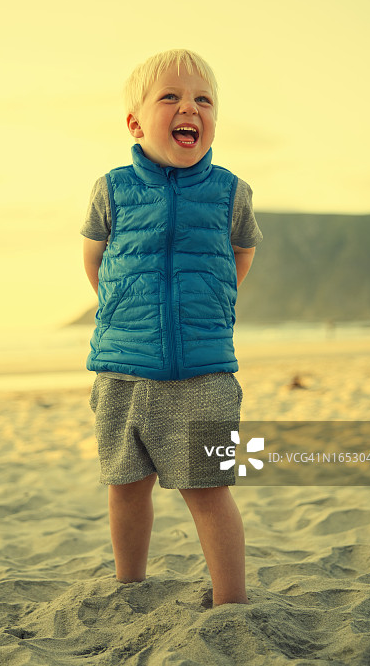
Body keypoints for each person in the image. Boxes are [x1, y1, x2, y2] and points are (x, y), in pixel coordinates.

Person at [81, 49, 262, 606]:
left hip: (204, 372)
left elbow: (240, 257)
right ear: (135, 122)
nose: (190, 108)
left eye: (203, 100)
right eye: (172, 97)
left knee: (210, 492)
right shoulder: (112, 189)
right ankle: (130, 584)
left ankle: (231, 602)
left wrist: (203, 312)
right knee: (126, 486)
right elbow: (95, 261)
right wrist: (124, 317)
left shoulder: (231, 191)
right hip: (122, 373)